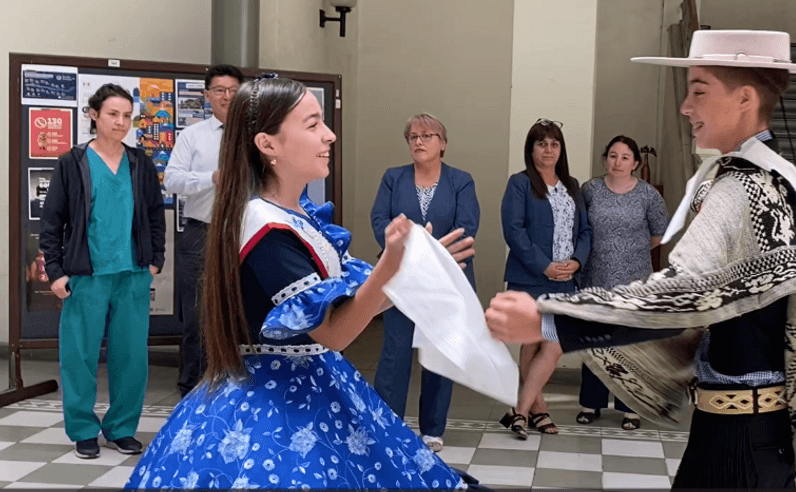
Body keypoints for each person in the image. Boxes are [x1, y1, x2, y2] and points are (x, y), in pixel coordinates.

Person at [485, 30, 796, 489]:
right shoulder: (776, 179)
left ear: (744, 99)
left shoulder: (741, 188)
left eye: (699, 91)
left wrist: (548, 321)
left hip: (737, 442)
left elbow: (684, 297)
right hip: (753, 427)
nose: (686, 106)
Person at [123, 75, 480, 490]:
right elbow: (332, 332)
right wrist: (389, 268)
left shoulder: (297, 215)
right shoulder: (266, 227)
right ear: (268, 144)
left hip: (311, 382)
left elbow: (349, 305)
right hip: (273, 403)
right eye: (312, 125)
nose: (329, 135)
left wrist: (409, 276)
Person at [39, 83, 166, 459]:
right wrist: (56, 271)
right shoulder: (72, 162)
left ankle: (121, 428)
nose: (121, 122)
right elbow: (52, 222)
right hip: (86, 274)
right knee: (79, 355)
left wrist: (155, 257)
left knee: (131, 356)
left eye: (127, 116)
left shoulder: (140, 163)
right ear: (94, 115)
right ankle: (82, 430)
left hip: (133, 274)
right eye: (113, 114)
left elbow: (154, 215)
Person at [371, 113, 480, 453]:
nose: (418, 141)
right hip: (400, 277)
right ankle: (389, 426)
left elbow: (466, 227)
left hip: (446, 280)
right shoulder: (393, 178)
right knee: (395, 354)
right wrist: (412, 251)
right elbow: (380, 221)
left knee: (438, 353)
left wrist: (424, 253)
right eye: (413, 136)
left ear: (442, 143)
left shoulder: (461, 181)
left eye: (427, 135)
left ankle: (432, 430)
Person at [498, 119, 591, 439]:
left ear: (561, 149)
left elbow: (585, 231)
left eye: (554, 144)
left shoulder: (573, 185)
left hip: (566, 280)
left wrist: (577, 262)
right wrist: (544, 266)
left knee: (552, 345)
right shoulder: (520, 183)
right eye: (542, 143)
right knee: (530, 344)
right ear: (532, 149)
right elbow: (514, 230)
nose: (548, 150)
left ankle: (519, 411)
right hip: (531, 277)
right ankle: (536, 410)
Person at [576, 135, 668, 431]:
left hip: (634, 280)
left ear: (636, 164)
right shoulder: (589, 190)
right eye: (613, 155)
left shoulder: (648, 194)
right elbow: (580, 230)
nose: (618, 162)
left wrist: (628, 252)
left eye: (625, 157)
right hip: (595, 278)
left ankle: (630, 407)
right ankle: (591, 403)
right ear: (605, 159)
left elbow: (659, 235)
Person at [164, 63, 244, 398]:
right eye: (220, 90)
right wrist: (210, 178)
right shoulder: (192, 135)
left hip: (245, 234)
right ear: (207, 95)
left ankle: (235, 392)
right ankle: (191, 394)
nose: (227, 96)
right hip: (201, 234)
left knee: (241, 315)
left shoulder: (259, 135)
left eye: (233, 90)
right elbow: (171, 180)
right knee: (197, 320)